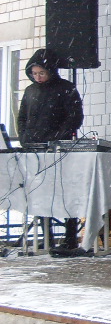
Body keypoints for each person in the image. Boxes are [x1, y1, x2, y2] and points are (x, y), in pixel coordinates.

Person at [16, 48, 84, 250]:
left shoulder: (66, 88)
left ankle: (70, 236)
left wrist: (57, 138)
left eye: (41, 73)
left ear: (51, 71)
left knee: (64, 192)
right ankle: (47, 238)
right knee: (41, 194)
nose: (37, 77)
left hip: (58, 150)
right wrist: (24, 138)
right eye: (34, 74)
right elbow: (22, 118)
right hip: (34, 150)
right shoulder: (30, 91)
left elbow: (74, 117)